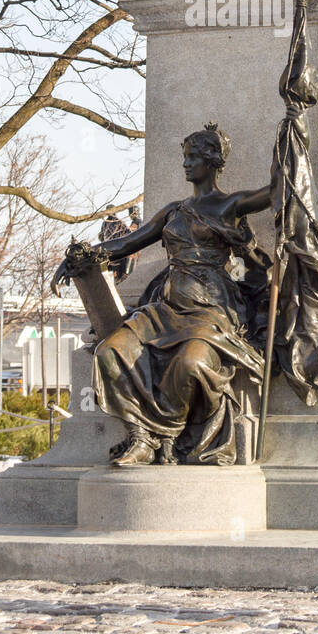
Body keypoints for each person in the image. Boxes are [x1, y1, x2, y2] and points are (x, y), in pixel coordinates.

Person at [92, 125, 271, 466]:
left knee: (192, 362)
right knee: (110, 352)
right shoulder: (174, 211)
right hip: (166, 308)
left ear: (212, 161)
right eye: (185, 157)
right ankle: (140, 437)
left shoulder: (230, 204)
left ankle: (167, 432)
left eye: (193, 157)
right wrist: (84, 255)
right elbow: (126, 244)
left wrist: (294, 124)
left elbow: (276, 190)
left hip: (211, 309)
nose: (186, 164)